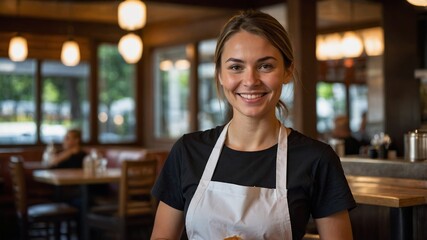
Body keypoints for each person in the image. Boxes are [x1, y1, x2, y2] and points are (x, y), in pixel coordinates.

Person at [151, 10, 356, 240]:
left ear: (287, 71)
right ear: (219, 73)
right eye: (236, 67)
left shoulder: (317, 159)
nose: (250, 81)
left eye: (265, 66)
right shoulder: (188, 151)